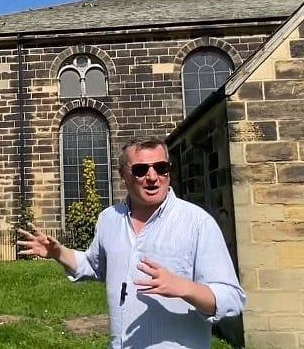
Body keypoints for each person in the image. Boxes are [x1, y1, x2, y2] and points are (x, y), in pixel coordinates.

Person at [17, 138, 245, 349]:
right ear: (123, 175)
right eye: (140, 170)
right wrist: (59, 253)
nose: (153, 176)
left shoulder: (197, 223)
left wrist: (185, 287)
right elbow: (95, 265)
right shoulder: (109, 219)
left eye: (161, 167)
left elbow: (232, 299)